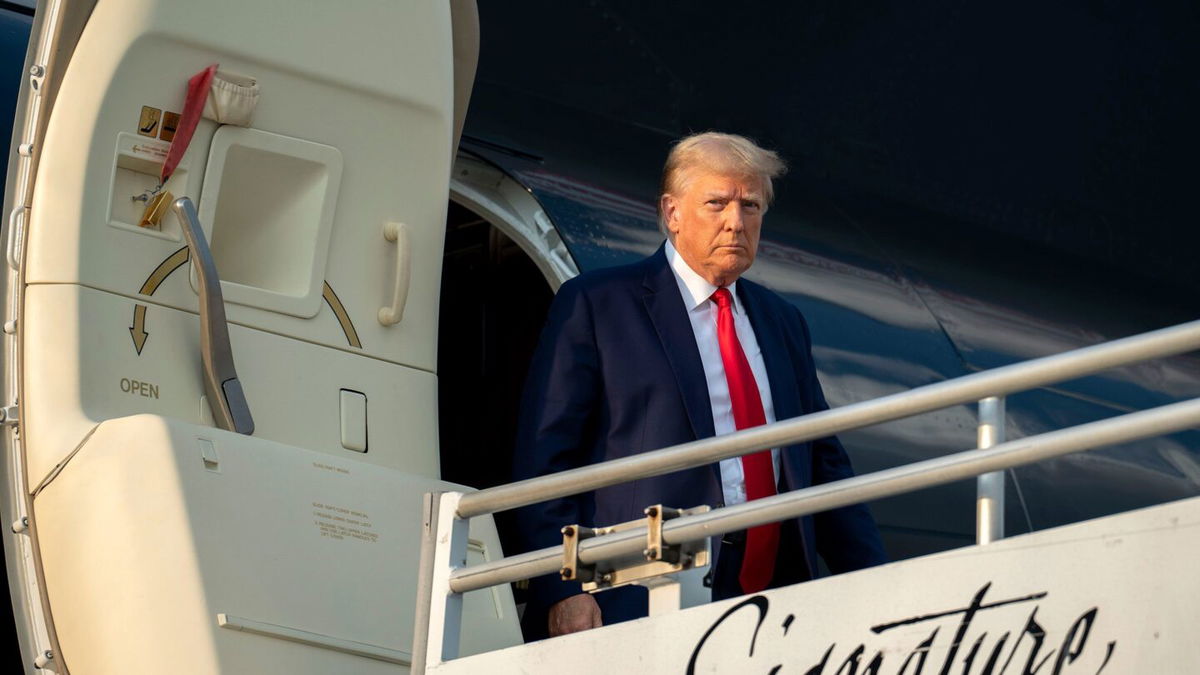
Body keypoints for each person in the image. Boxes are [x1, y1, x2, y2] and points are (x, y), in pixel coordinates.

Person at [513, 132, 886, 640]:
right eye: (717, 203)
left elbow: (822, 461)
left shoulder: (782, 321)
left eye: (750, 205)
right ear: (673, 212)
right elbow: (544, 461)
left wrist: (878, 586)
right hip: (641, 593)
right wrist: (563, 590)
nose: (736, 221)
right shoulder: (598, 305)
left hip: (771, 598)